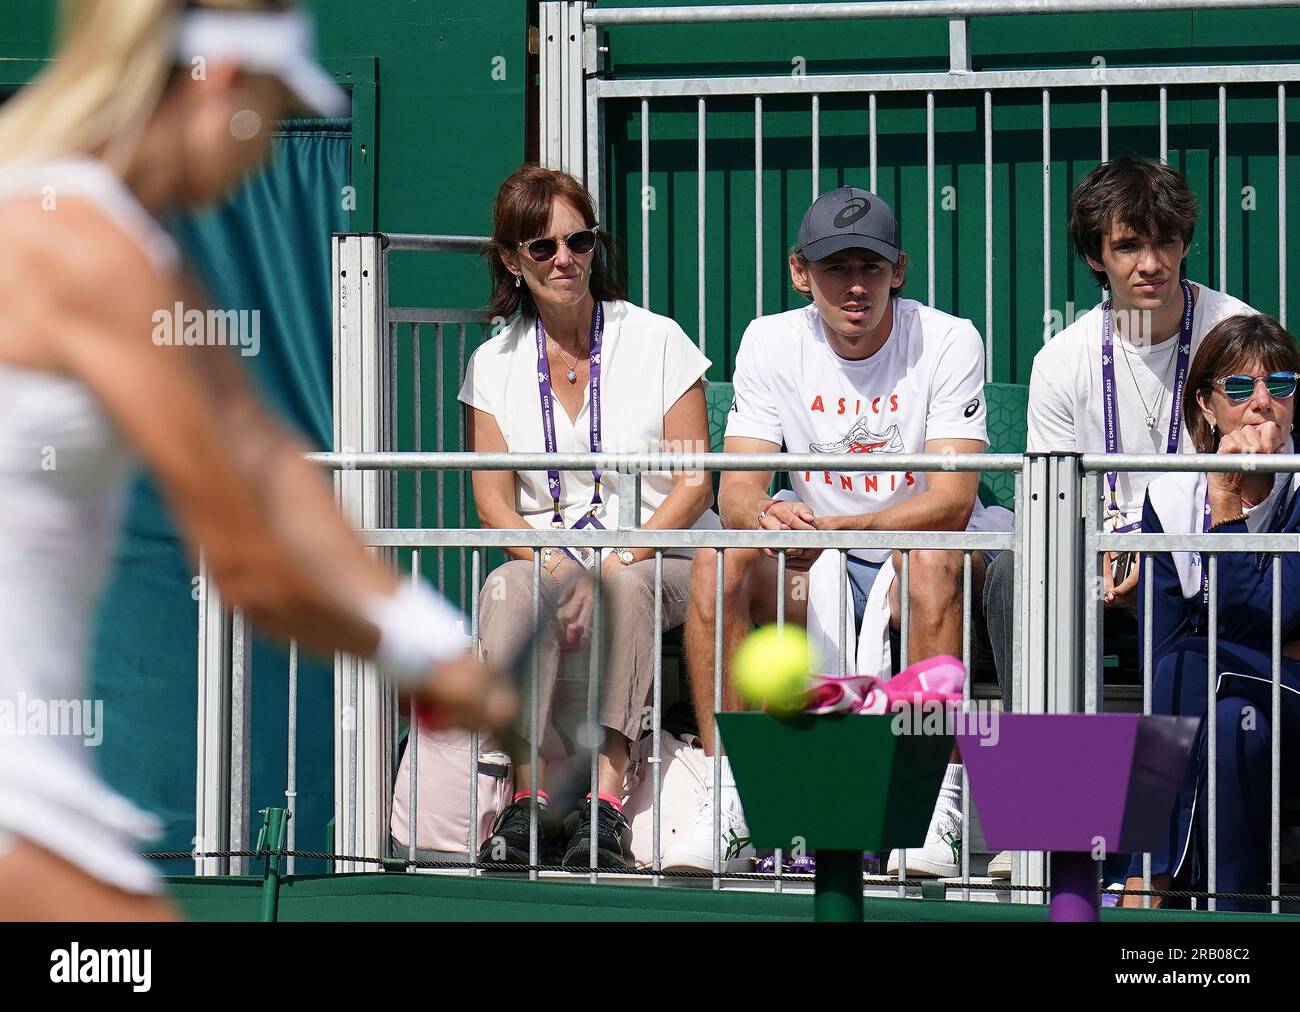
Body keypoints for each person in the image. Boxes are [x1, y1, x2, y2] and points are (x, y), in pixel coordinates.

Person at [0, 0, 512, 921]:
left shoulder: (122, 246)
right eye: (271, 109)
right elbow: (249, 561)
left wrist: (432, 635)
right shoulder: (85, 252)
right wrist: (425, 664)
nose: (265, 151)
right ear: (222, 86)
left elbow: (269, 461)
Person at [668, 186, 1007, 877]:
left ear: (899, 270)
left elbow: (950, 501)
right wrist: (768, 517)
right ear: (801, 272)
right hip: (818, 552)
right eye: (835, 268)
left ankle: (930, 808)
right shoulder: (769, 339)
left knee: (929, 563)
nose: (856, 286)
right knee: (717, 561)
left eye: (871, 267)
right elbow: (736, 489)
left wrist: (836, 523)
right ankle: (731, 801)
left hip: (922, 551)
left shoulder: (948, 338)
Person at [460, 165, 717, 870]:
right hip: (550, 558)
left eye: (578, 240)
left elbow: (694, 483)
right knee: (508, 591)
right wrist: (548, 561)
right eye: (542, 247)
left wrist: (621, 556)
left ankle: (603, 806)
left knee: (622, 587)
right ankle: (528, 802)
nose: (565, 259)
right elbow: (492, 503)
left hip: (662, 553)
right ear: (512, 261)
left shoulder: (658, 337)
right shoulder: (492, 364)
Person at [985, 157, 1256, 715]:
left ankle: (1201, 783)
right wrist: (1107, 549)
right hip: (1097, 552)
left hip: (1207, 543)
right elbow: (1048, 506)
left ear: (1185, 244)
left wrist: (1160, 549)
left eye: (1166, 242)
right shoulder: (1063, 359)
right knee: (1019, 570)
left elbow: (1263, 477)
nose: (1151, 264)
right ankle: (1045, 779)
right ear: (1094, 256)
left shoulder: (1233, 332)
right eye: (1128, 245)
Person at [1118, 314, 1300, 912]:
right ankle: (1235, 918)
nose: (1263, 405)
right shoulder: (1171, 497)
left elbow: (1280, 606)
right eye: (1241, 389)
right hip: (1238, 701)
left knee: (1196, 658)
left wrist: (1225, 512)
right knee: (1229, 725)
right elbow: (1159, 648)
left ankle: (1147, 878)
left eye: (1282, 385)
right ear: (1206, 405)